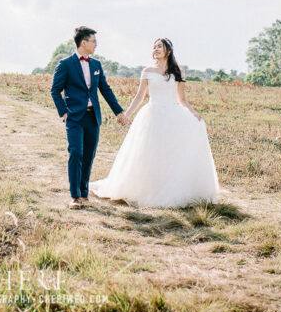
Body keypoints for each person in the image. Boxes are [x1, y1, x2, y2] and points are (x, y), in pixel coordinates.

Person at [89, 38, 219, 208]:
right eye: (154, 47)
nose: (156, 49)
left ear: (168, 51)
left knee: (172, 153)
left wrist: (193, 113)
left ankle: (171, 189)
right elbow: (139, 96)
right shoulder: (148, 71)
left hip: (174, 116)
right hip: (152, 115)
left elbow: (182, 99)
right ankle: (148, 189)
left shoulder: (178, 71)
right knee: (151, 152)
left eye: (160, 46)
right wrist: (126, 114)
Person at [50, 26, 127, 210]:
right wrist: (64, 112)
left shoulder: (96, 65)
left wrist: (119, 111)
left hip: (93, 118)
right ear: (83, 43)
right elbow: (55, 90)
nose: (96, 45)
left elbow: (105, 90)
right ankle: (75, 196)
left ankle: (84, 193)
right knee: (75, 152)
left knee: (88, 156)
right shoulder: (65, 64)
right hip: (74, 117)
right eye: (93, 41)